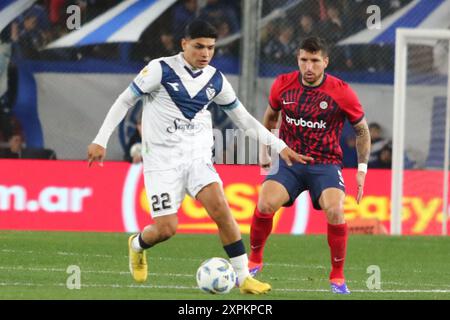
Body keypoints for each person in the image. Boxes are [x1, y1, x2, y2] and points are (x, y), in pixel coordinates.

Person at [87, 20, 311, 294]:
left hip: (197, 158)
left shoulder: (215, 79)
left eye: (211, 48)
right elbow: (125, 100)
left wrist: (279, 146)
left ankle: (243, 279)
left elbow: (244, 120)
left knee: (222, 210)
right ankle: (137, 244)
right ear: (184, 44)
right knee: (167, 229)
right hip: (162, 162)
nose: (205, 53)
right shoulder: (160, 69)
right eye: (199, 46)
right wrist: (100, 139)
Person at [248, 37, 371, 294]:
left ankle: (337, 275)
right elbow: (271, 117)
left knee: (336, 211)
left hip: (325, 164)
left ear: (325, 61)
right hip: (289, 160)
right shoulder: (282, 85)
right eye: (304, 60)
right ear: (298, 59)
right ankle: (254, 260)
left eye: (315, 61)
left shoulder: (342, 91)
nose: (309, 67)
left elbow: (362, 131)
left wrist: (361, 171)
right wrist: (265, 151)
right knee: (265, 203)